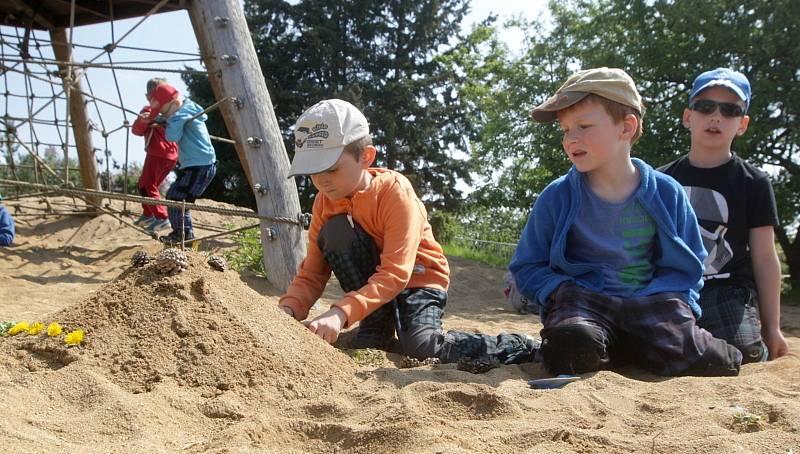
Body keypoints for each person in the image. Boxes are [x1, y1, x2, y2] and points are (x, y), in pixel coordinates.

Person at [509, 67, 742, 377]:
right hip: (584, 301)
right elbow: (526, 266)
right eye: (565, 129)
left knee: (716, 362)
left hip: (652, 302)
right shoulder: (557, 196)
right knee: (571, 344)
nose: (570, 139)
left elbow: (689, 266)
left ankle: (633, 344)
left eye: (584, 126)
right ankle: (614, 345)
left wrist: (674, 306)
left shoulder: (666, 192)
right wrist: (559, 290)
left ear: (626, 127)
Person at [278, 99, 537, 365]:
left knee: (421, 346)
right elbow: (312, 272)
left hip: (419, 279)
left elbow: (395, 273)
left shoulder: (394, 193)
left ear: (366, 156)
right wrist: (289, 308)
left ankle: (515, 345)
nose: (321, 180)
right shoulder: (325, 201)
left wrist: (341, 313)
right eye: (312, 171)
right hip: (373, 286)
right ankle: (376, 329)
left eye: (331, 168)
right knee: (336, 232)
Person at [659, 68, 788, 363]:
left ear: (742, 124)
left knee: (741, 355)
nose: (716, 116)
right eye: (705, 107)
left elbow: (766, 258)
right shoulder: (660, 179)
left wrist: (773, 328)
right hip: (672, 288)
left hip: (727, 290)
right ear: (688, 117)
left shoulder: (754, 182)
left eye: (729, 110)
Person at [147, 83, 216, 245]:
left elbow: (171, 136)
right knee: (178, 199)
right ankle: (184, 233)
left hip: (200, 166)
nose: (164, 115)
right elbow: (169, 118)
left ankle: (183, 235)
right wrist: (161, 118)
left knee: (176, 199)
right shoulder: (185, 110)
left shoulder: (180, 116)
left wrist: (167, 120)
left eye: (164, 111)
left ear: (175, 104)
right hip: (197, 165)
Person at [131, 77, 178, 233]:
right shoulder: (152, 112)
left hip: (159, 153)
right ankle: (149, 213)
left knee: (147, 184)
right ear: (149, 97)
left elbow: (136, 130)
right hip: (170, 155)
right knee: (144, 184)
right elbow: (137, 130)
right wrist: (145, 121)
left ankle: (162, 216)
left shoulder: (155, 111)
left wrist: (147, 119)